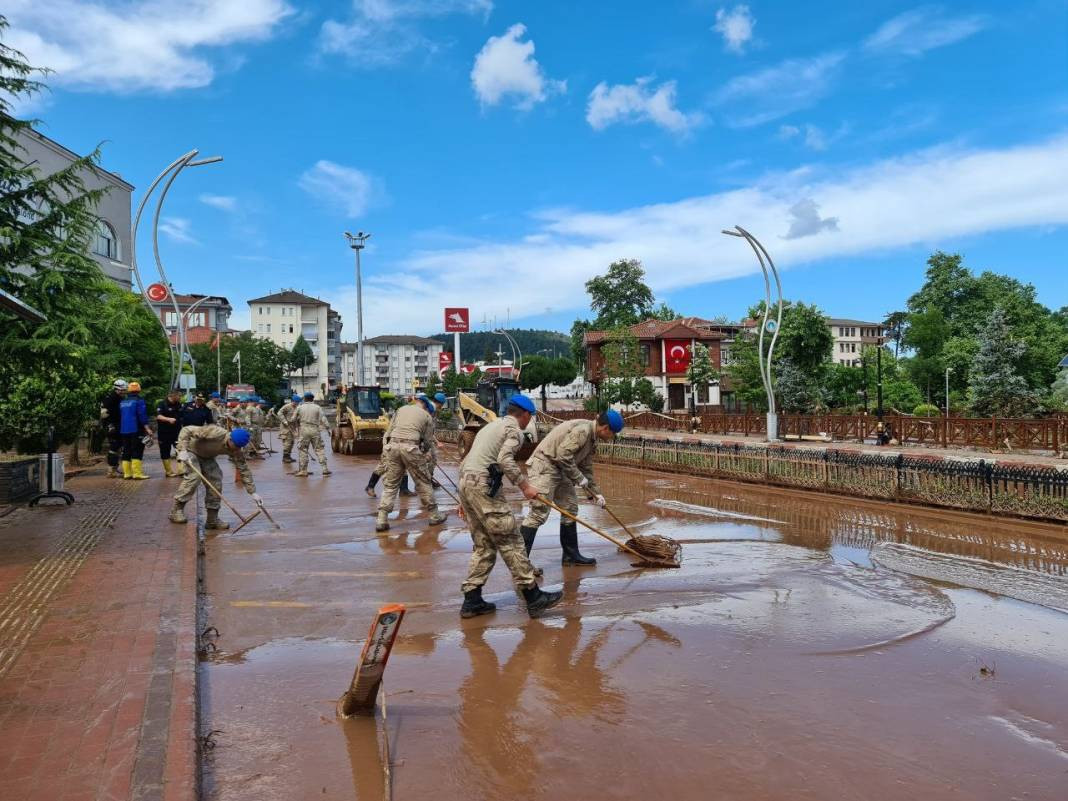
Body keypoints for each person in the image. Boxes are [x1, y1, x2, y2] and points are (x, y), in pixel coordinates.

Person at [458, 394, 562, 619]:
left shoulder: (490, 427)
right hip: (484, 486)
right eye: (530, 417)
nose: (529, 422)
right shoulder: (514, 430)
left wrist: (463, 499)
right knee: (512, 540)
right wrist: (525, 486)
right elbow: (506, 460)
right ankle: (533, 597)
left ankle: (472, 599)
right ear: (524, 415)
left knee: (484, 545)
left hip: (467, 483)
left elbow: (466, 460)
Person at [519, 410, 624, 566]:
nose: (612, 437)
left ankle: (570, 555)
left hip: (560, 468)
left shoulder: (592, 438)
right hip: (545, 465)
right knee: (538, 513)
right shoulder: (583, 431)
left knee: (570, 509)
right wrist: (578, 477)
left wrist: (596, 494)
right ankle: (520, 564)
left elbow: (586, 468)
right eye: (613, 434)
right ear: (606, 428)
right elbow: (563, 455)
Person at [375, 394, 445, 532]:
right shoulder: (426, 416)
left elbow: (388, 432)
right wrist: (425, 454)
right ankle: (434, 515)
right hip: (411, 448)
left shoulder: (400, 410)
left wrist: (386, 450)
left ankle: (382, 519)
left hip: (392, 447)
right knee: (423, 481)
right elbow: (427, 441)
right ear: (426, 406)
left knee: (391, 484)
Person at [169, 425, 260, 530]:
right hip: (190, 451)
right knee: (194, 477)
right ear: (230, 439)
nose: (237, 449)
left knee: (216, 480)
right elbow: (186, 430)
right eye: (236, 446)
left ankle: (212, 520)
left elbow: (243, 469)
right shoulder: (215, 432)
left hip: (207, 457)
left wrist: (253, 492)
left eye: (240, 447)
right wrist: (182, 449)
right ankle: (176, 510)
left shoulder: (236, 449)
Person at [119, 381, 153, 480]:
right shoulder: (139, 401)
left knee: (126, 450)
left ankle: (127, 473)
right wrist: (147, 428)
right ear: (139, 390)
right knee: (137, 450)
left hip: (124, 430)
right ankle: (137, 473)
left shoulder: (123, 402)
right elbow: (142, 415)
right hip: (136, 429)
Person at [294, 392, 332, 477]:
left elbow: (293, 419)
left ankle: (303, 471)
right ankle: (325, 469)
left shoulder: (300, 407)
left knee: (303, 450)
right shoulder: (317, 407)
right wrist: (328, 429)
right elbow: (323, 419)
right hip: (315, 430)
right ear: (313, 399)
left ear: (304, 399)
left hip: (304, 430)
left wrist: (295, 428)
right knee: (319, 449)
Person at [100, 379, 127, 478]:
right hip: (112, 426)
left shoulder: (120, 398)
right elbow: (104, 414)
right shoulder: (110, 399)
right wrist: (110, 426)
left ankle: (114, 468)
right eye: (123, 390)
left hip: (118, 425)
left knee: (118, 446)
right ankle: (111, 471)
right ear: (117, 389)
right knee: (114, 447)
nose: (124, 392)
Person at [156, 388, 184, 477]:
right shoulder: (162, 404)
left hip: (176, 432)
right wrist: (168, 419)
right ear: (172, 395)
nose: (180, 397)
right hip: (164, 432)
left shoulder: (178, 404)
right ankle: (169, 471)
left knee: (180, 449)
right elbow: (158, 416)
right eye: (179, 395)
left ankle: (181, 470)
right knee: (165, 451)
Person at [278, 394, 300, 463]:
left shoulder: (297, 408)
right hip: (286, 427)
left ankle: (288, 456)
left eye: (298, 402)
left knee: (292, 442)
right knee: (287, 442)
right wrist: (284, 421)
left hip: (292, 427)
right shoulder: (287, 406)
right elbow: (279, 413)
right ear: (293, 401)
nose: (297, 403)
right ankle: (285, 457)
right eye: (296, 402)